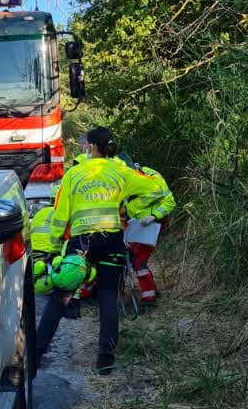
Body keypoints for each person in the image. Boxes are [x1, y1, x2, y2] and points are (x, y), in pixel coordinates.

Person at [30, 126, 168, 373]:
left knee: (61, 296)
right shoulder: (120, 171)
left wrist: (52, 248)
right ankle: (106, 361)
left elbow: (60, 215)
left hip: (82, 242)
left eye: (85, 144)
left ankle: (37, 353)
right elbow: (156, 189)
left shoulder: (74, 173)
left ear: (91, 147)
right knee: (108, 299)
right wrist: (135, 209)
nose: (84, 147)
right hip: (111, 240)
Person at [119, 154, 176, 305]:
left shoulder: (150, 176)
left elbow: (170, 201)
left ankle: (149, 298)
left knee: (138, 262)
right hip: (135, 226)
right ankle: (150, 292)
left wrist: (154, 216)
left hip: (151, 225)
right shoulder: (122, 182)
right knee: (133, 259)